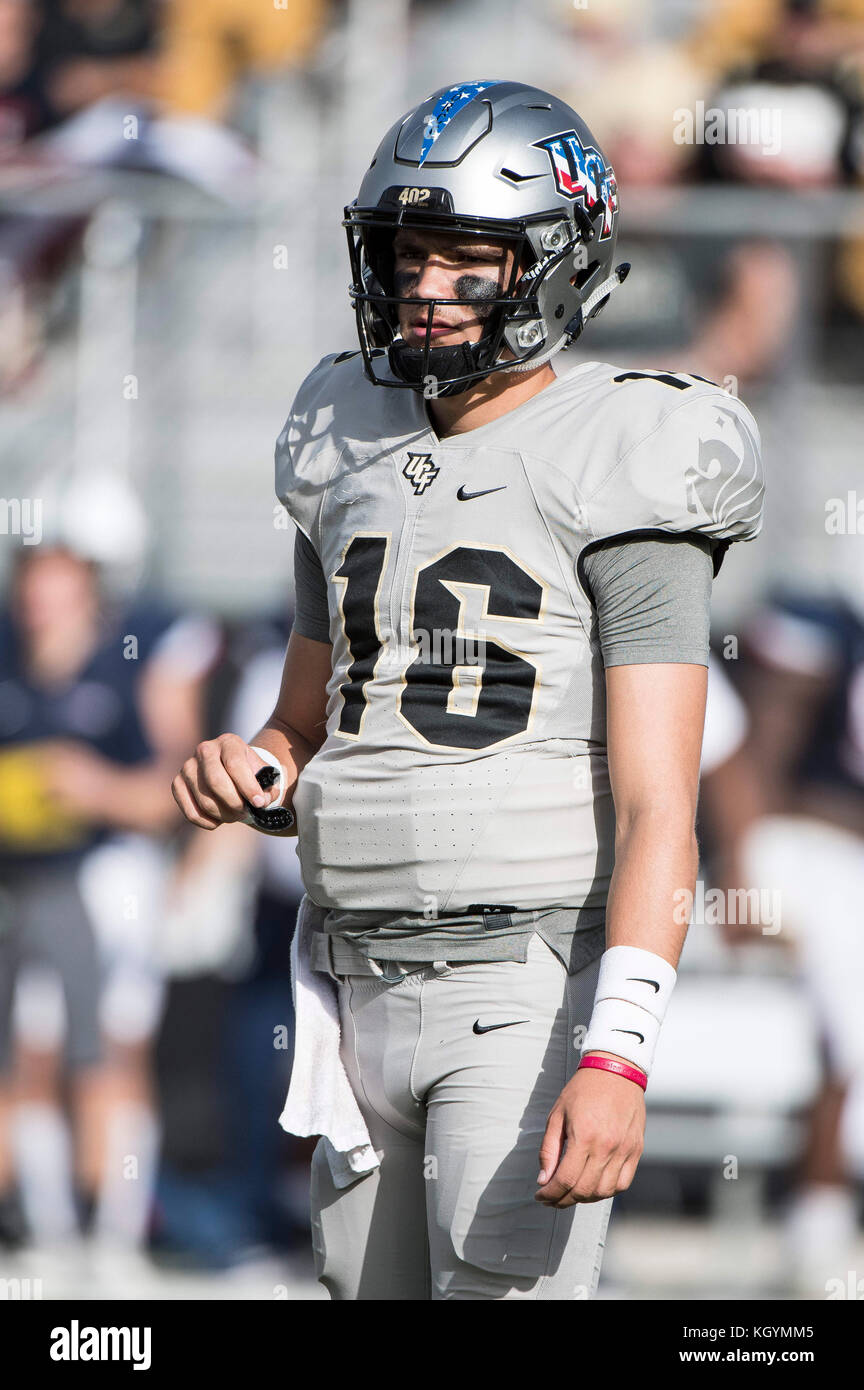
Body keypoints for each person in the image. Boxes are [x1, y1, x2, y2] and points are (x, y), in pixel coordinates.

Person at [172, 79, 765, 1300]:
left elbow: (664, 807)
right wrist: (261, 768)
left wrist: (621, 1054)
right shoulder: (344, 432)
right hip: (349, 979)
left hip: (522, 985)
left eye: (463, 258)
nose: (423, 288)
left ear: (555, 267)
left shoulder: (628, 449)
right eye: (405, 253)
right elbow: (311, 718)